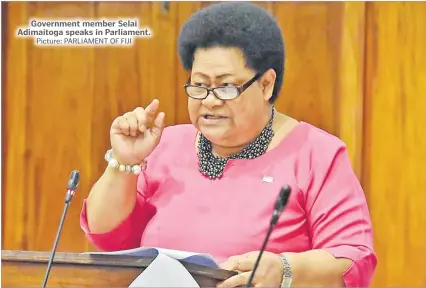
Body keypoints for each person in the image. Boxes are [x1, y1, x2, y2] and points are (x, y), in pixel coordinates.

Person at [80, 2, 377, 287]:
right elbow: (107, 237)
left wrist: (284, 270)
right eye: (199, 85)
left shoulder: (317, 154)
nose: (209, 100)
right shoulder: (165, 145)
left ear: (266, 84)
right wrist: (124, 162)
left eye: (225, 86)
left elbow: (353, 259)